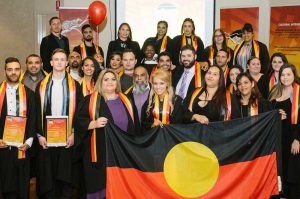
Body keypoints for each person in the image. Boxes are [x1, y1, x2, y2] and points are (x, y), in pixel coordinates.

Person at [74, 69, 139, 198]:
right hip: (99, 153)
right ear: (100, 82)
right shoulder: (91, 100)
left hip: (122, 153)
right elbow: (78, 121)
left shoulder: (126, 100)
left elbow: (135, 126)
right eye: (106, 79)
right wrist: (93, 124)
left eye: (113, 79)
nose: (110, 82)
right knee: (99, 188)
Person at [35, 48, 83, 199]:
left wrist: (74, 133)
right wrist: (39, 135)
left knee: (65, 182)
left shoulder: (75, 86)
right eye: (56, 59)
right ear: (51, 62)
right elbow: (36, 113)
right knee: (47, 182)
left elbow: (80, 113)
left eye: (63, 59)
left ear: (67, 62)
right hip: (46, 140)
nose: (60, 62)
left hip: (66, 139)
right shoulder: (41, 85)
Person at [0, 57, 36, 199]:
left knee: (21, 187)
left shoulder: (29, 94)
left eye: (16, 69)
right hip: (2, 147)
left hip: (22, 148)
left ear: (21, 71)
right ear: (5, 72)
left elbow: (33, 119)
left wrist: (28, 142)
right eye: (10, 69)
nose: (13, 72)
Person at [269, 64, 300, 199]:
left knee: (292, 172)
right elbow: (268, 112)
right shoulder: (275, 91)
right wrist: (276, 113)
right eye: (283, 74)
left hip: (293, 138)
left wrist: (297, 139)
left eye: (289, 74)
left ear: (294, 76)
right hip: (277, 138)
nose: (285, 77)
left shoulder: (299, 92)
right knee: (279, 169)